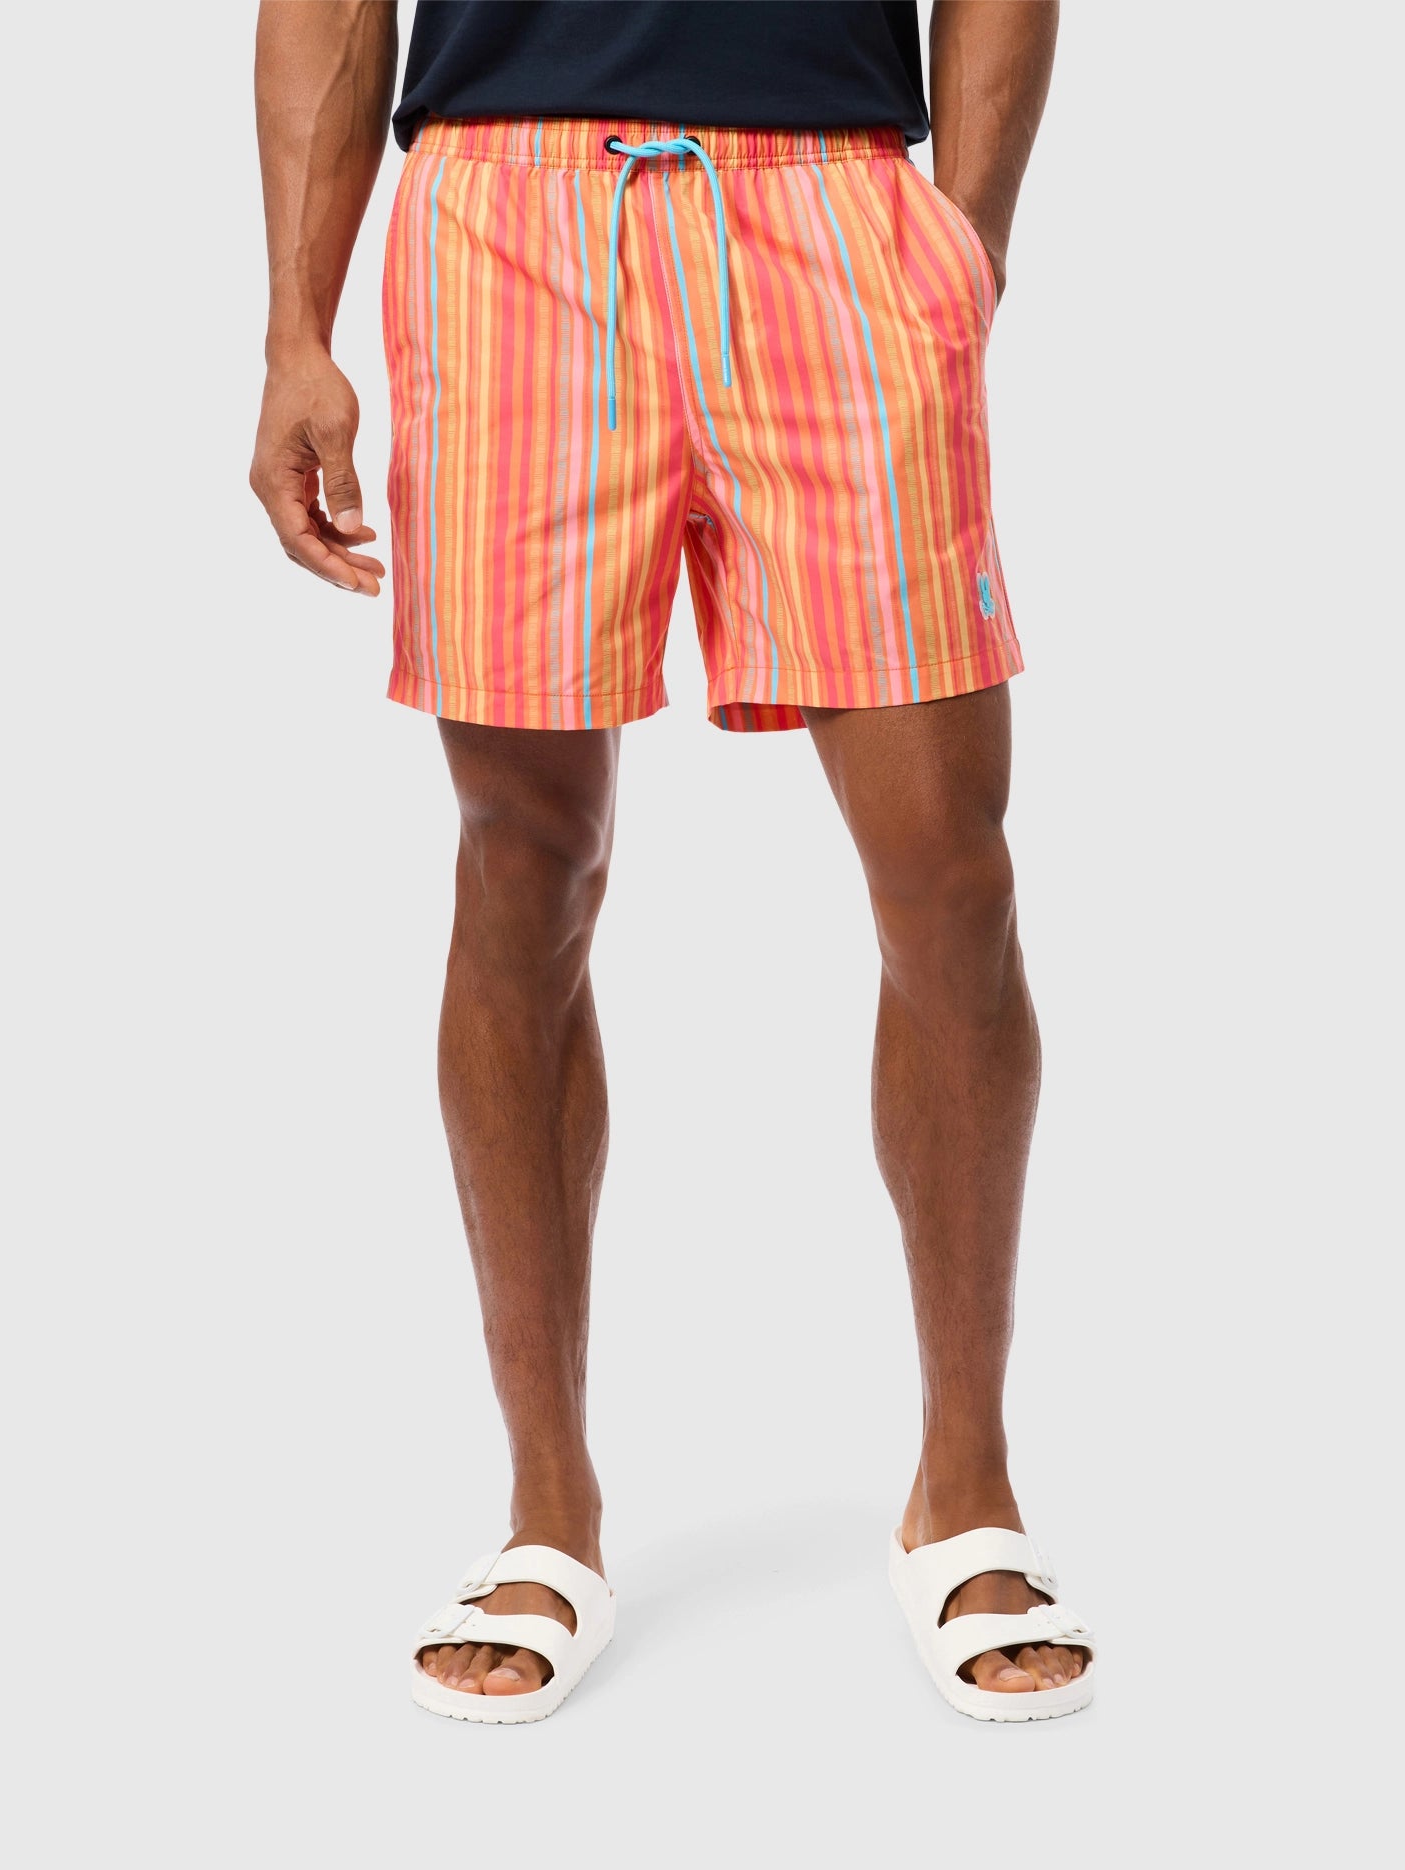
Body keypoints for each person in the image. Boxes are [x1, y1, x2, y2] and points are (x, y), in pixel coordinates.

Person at [251, 0, 1093, 1726]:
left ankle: (967, 1479)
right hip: (507, 221)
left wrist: (965, 240)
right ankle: (546, 1506)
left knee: (951, 873)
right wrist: (293, 326)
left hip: (835, 207)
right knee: (523, 863)